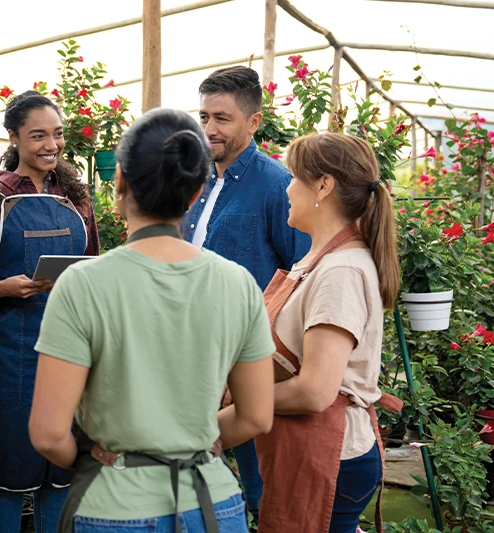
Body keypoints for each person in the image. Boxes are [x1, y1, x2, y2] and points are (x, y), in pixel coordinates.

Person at [28, 108, 275, 533]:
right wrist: (184, 445)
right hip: (215, 506)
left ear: (119, 180)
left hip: (115, 504)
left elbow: (49, 434)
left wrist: (109, 457)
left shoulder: (84, 283)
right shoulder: (239, 283)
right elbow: (255, 418)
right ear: (197, 191)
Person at [0, 90, 100, 533]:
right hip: (14, 354)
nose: (51, 146)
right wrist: (3, 287)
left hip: (71, 351)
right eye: (38, 136)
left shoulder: (75, 197)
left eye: (57, 135)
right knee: (8, 476)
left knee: (60, 478)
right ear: (14, 137)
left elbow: (96, 266)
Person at [254, 133, 403, 533]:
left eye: (292, 176)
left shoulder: (341, 272)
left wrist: (239, 403)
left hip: (329, 454)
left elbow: (315, 391)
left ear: (323, 185)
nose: (285, 187)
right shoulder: (321, 259)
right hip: (306, 448)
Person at [180, 65, 311, 515]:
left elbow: (301, 273)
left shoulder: (277, 185)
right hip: (187, 356)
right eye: (203, 117)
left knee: (261, 488)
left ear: (254, 122)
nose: (209, 129)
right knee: (189, 478)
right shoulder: (192, 180)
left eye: (222, 118)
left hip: (245, 362)